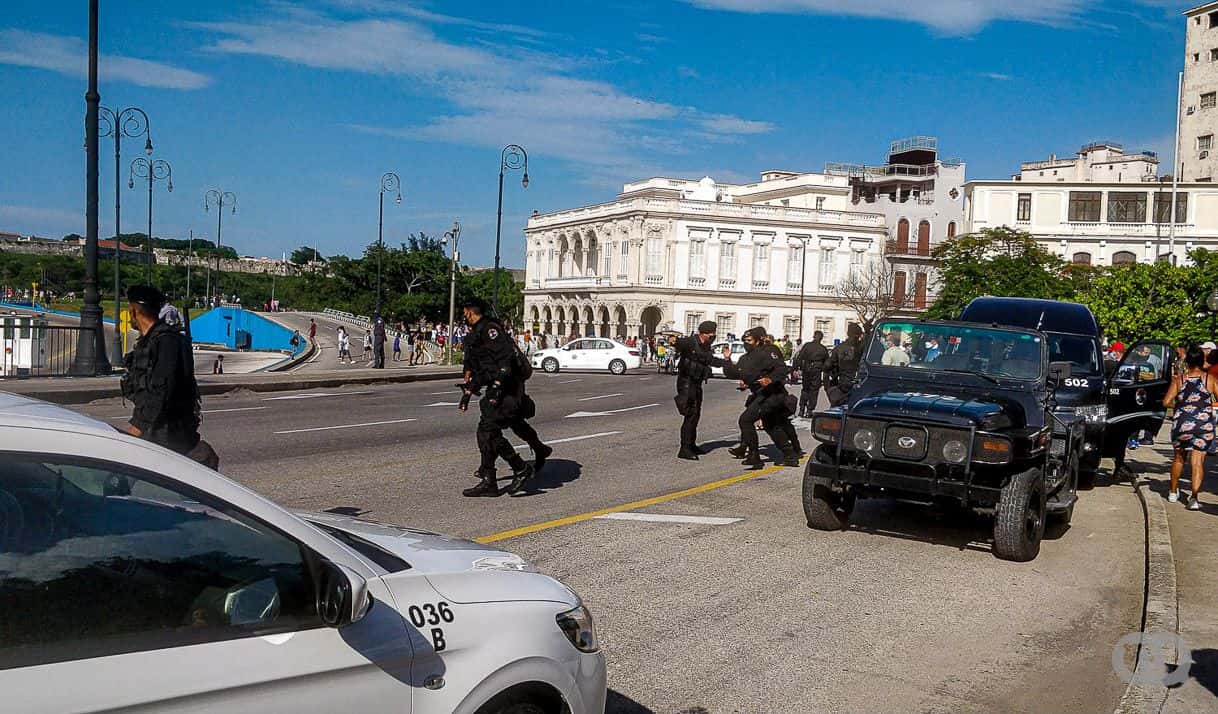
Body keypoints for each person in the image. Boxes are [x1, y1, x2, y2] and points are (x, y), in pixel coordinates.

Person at [459, 298, 549, 497]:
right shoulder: (477, 333)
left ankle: (519, 468)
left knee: (490, 430)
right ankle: (489, 478)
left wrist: (497, 387)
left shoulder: (490, 330)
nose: (463, 316)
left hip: (507, 388)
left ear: (469, 312)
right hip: (498, 387)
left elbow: (505, 361)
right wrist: (469, 389)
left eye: (464, 312)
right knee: (489, 429)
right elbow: (483, 366)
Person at [121, 285, 216, 468]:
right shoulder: (149, 341)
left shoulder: (166, 341)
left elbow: (161, 390)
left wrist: (138, 426)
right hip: (156, 428)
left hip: (166, 432)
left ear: (134, 310)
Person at [722, 327, 800, 469]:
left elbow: (782, 369)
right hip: (760, 394)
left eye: (749, 340)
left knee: (745, 420)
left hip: (773, 394)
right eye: (744, 341)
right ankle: (790, 455)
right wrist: (727, 359)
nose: (746, 343)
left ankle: (754, 455)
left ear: (758, 341)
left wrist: (770, 379)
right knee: (771, 426)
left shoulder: (768, 352)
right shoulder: (745, 358)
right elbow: (734, 373)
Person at [1163, 344, 1217, 510]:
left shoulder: (1179, 380)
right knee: (1198, 460)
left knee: (1179, 457)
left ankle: (1172, 492)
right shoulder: (1210, 379)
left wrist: (1181, 405)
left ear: (1187, 361)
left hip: (1182, 423)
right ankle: (1194, 498)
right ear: (1202, 360)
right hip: (1203, 424)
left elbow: (1165, 402)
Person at [673, 321, 726, 460]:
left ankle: (691, 444)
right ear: (703, 333)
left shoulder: (706, 346)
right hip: (686, 383)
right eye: (710, 334)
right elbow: (679, 343)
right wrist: (674, 341)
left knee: (696, 415)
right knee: (690, 414)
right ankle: (684, 449)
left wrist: (726, 362)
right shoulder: (691, 342)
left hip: (696, 383)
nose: (713, 336)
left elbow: (710, 360)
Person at [824, 322, 864, 407]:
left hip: (842, 382)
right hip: (859, 382)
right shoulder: (862, 347)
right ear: (859, 335)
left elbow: (827, 366)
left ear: (848, 333)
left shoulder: (839, 348)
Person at [792, 331, 829, 418]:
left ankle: (802, 409)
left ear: (813, 336)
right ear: (821, 338)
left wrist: (796, 368)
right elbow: (827, 362)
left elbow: (799, 357)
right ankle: (809, 410)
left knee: (805, 389)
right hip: (816, 369)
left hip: (807, 368)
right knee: (814, 390)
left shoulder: (807, 345)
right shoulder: (822, 348)